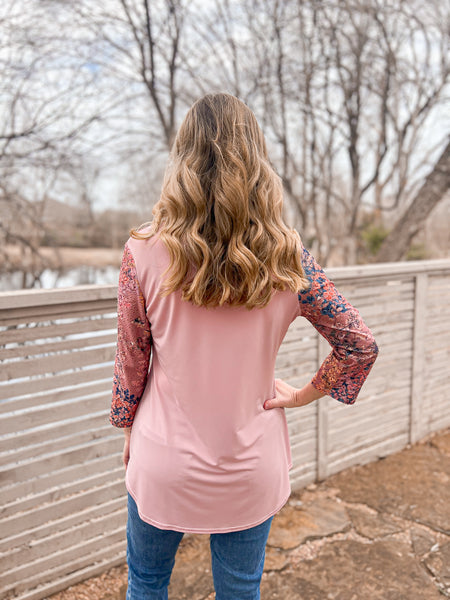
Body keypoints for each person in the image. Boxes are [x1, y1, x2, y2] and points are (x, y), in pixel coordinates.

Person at [110, 92, 379, 600]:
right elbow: (359, 346)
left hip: (163, 457)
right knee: (240, 590)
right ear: (257, 161)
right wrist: (302, 394)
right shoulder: (288, 256)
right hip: (251, 463)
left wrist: (128, 426)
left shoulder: (142, 250)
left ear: (182, 159)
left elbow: (131, 359)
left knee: (146, 583)